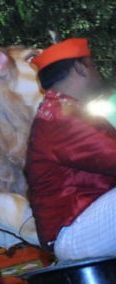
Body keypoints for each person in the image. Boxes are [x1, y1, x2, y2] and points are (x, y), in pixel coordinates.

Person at [26, 37, 116, 261]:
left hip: (86, 224)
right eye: (93, 65)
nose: (97, 72)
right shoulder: (58, 117)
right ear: (80, 68)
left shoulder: (64, 112)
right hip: (76, 232)